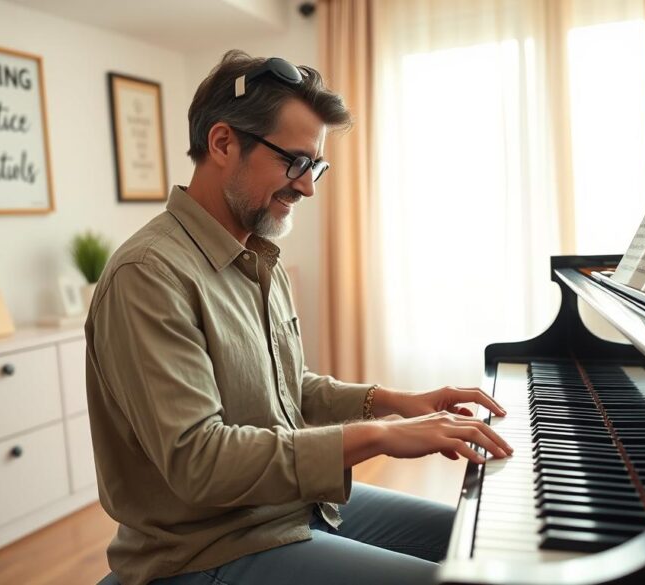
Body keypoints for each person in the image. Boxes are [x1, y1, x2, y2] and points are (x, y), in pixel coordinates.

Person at [85, 50, 513, 585]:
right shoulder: (148, 275)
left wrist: (395, 403)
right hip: (206, 549)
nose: (307, 186)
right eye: (295, 162)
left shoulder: (260, 257)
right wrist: (377, 436)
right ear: (223, 143)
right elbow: (200, 460)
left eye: (315, 166)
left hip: (288, 507)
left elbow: (287, 389)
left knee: (485, 541)